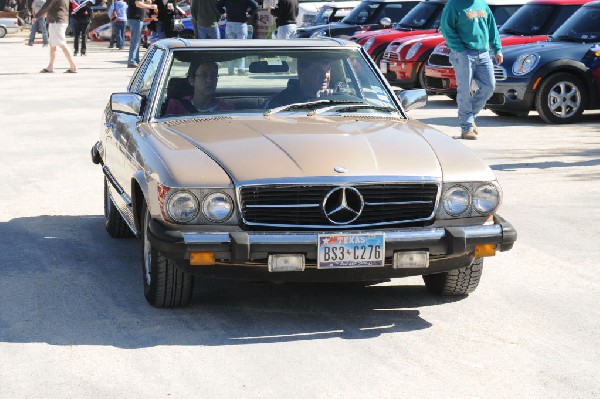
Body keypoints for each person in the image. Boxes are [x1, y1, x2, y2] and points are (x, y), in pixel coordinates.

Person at [440, 0, 503, 140]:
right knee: (464, 90)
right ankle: (466, 128)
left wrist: (497, 48)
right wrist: (460, 49)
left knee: (489, 86)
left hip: (484, 53)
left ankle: (470, 117)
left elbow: (491, 26)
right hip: (464, 53)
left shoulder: (481, 3)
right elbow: (447, 28)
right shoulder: (453, 4)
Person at [165, 61, 233, 115]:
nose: (209, 80)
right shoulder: (176, 106)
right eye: (204, 75)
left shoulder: (226, 108)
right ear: (192, 81)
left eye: (213, 75)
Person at [266, 59, 331, 108]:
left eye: (327, 70)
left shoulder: (336, 99)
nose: (324, 76)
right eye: (318, 71)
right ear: (301, 72)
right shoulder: (280, 101)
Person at [35, 0, 78, 73]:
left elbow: (47, 6)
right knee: (53, 45)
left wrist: (36, 16)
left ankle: (73, 66)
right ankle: (50, 67)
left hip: (57, 21)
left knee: (62, 44)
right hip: (60, 20)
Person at [216, 0, 258, 74]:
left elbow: (217, 5)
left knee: (230, 48)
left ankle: (230, 69)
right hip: (241, 24)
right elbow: (255, 5)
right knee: (241, 48)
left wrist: (223, 12)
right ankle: (240, 69)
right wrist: (250, 13)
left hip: (229, 23)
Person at [127, 0, 157, 68]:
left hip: (136, 19)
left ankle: (135, 60)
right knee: (135, 41)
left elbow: (139, 5)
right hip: (135, 19)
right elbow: (138, 4)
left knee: (136, 41)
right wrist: (151, 6)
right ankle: (132, 61)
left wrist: (147, 8)